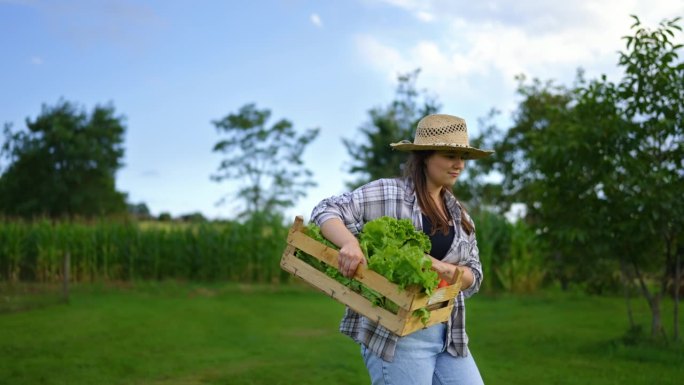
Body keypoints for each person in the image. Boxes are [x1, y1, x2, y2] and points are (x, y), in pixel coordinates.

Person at [309, 114, 493, 385]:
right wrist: (349, 243)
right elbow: (326, 210)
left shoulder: (460, 215)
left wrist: (443, 268)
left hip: (449, 333)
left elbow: (474, 276)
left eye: (462, 156)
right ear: (425, 156)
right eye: (450, 155)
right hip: (397, 338)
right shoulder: (390, 193)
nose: (459, 165)